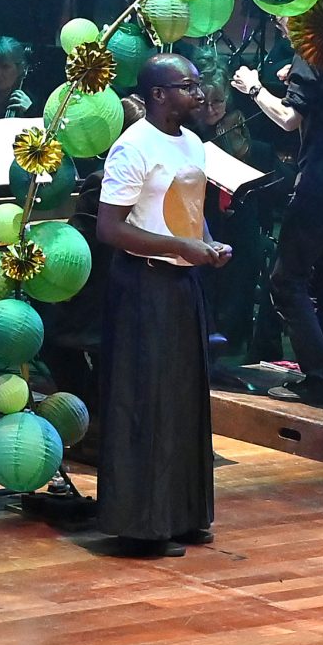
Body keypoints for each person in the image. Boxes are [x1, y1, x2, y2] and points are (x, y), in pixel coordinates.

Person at [92, 53, 231, 556]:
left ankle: (184, 513)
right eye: (187, 86)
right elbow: (110, 227)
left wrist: (208, 242)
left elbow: (189, 212)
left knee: (183, 398)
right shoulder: (132, 147)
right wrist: (179, 248)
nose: (198, 94)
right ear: (157, 94)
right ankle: (141, 525)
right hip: (142, 284)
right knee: (145, 401)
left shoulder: (192, 142)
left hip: (181, 282)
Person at [230, 55, 323, 408]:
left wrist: (253, 87)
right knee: (322, 281)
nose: (283, 25)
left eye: (286, 19)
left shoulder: (313, 53)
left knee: (286, 282)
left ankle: (322, 379)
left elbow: (287, 118)